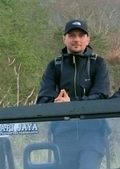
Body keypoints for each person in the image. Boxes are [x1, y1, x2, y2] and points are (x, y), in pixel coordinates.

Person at [36, 19, 110, 169]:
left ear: (88, 39)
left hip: (93, 134)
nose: (77, 39)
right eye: (72, 35)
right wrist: (57, 104)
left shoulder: (99, 64)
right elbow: (43, 100)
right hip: (63, 135)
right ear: (64, 38)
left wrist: (70, 104)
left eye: (81, 35)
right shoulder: (54, 66)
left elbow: (101, 97)